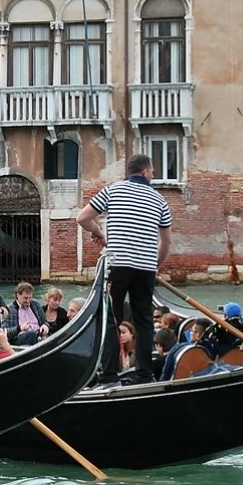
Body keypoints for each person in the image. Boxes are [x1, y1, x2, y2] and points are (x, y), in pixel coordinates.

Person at [77, 154, 173, 384]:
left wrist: (99, 233)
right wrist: (154, 266)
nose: (153, 175)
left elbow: (82, 218)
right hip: (145, 269)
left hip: (118, 265)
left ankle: (109, 375)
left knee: (112, 318)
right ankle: (144, 374)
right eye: (152, 171)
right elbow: (166, 242)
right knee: (144, 321)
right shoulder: (160, 200)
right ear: (145, 172)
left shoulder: (113, 190)